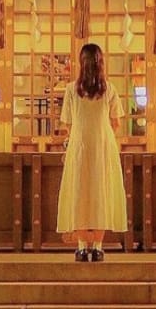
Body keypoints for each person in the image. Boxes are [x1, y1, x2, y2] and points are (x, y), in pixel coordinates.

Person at [57, 42, 127, 261]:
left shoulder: (71, 90)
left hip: (79, 143)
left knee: (79, 191)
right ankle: (97, 246)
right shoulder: (109, 88)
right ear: (100, 63)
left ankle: (81, 246)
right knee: (101, 191)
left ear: (81, 63)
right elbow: (116, 122)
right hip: (103, 143)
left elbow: (67, 124)